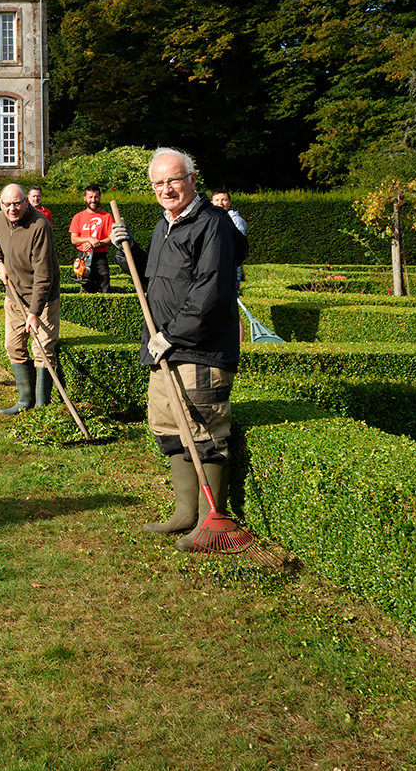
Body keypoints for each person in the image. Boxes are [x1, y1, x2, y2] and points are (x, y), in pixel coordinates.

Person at [111, 147, 248, 551]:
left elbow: (210, 290)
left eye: (173, 180)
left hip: (198, 350)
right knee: (170, 429)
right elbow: (151, 275)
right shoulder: (165, 224)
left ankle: (212, 521)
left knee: (205, 431)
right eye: (158, 183)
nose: (166, 189)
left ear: (192, 180)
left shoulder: (213, 225)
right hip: (163, 348)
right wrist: (126, 250)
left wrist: (174, 335)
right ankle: (185, 513)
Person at [0, 182, 59, 414]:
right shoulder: (0, 220)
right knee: (13, 346)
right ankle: (25, 401)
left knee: (43, 350)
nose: (12, 209)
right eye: (7, 204)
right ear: (1, 204)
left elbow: (44, 274)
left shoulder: (40, 225)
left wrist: (35, 313)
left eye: (17, 203)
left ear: (26, 202)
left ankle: (41, 406)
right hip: (14, 295)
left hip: (43, 298)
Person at [68, 184, 115, 295]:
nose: (93, 200)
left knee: (104, 289)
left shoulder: (107, 216)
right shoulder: (78, 217)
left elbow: (112, 238)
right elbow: (73, 239)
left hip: (100, 258)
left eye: (96, 197)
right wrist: (89, 240)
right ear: (85, 198)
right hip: (83, 257)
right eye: (90, 197)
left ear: (99, 197)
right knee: (85, 290)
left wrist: (97, 243)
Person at [211, 188, 247, 292]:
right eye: (217, 200)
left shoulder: (237, 221)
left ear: (229, 202)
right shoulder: (208, 219)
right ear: (211, 202)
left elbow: (236, 247)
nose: (220, 203)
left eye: (224, 200)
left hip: (229, 273)